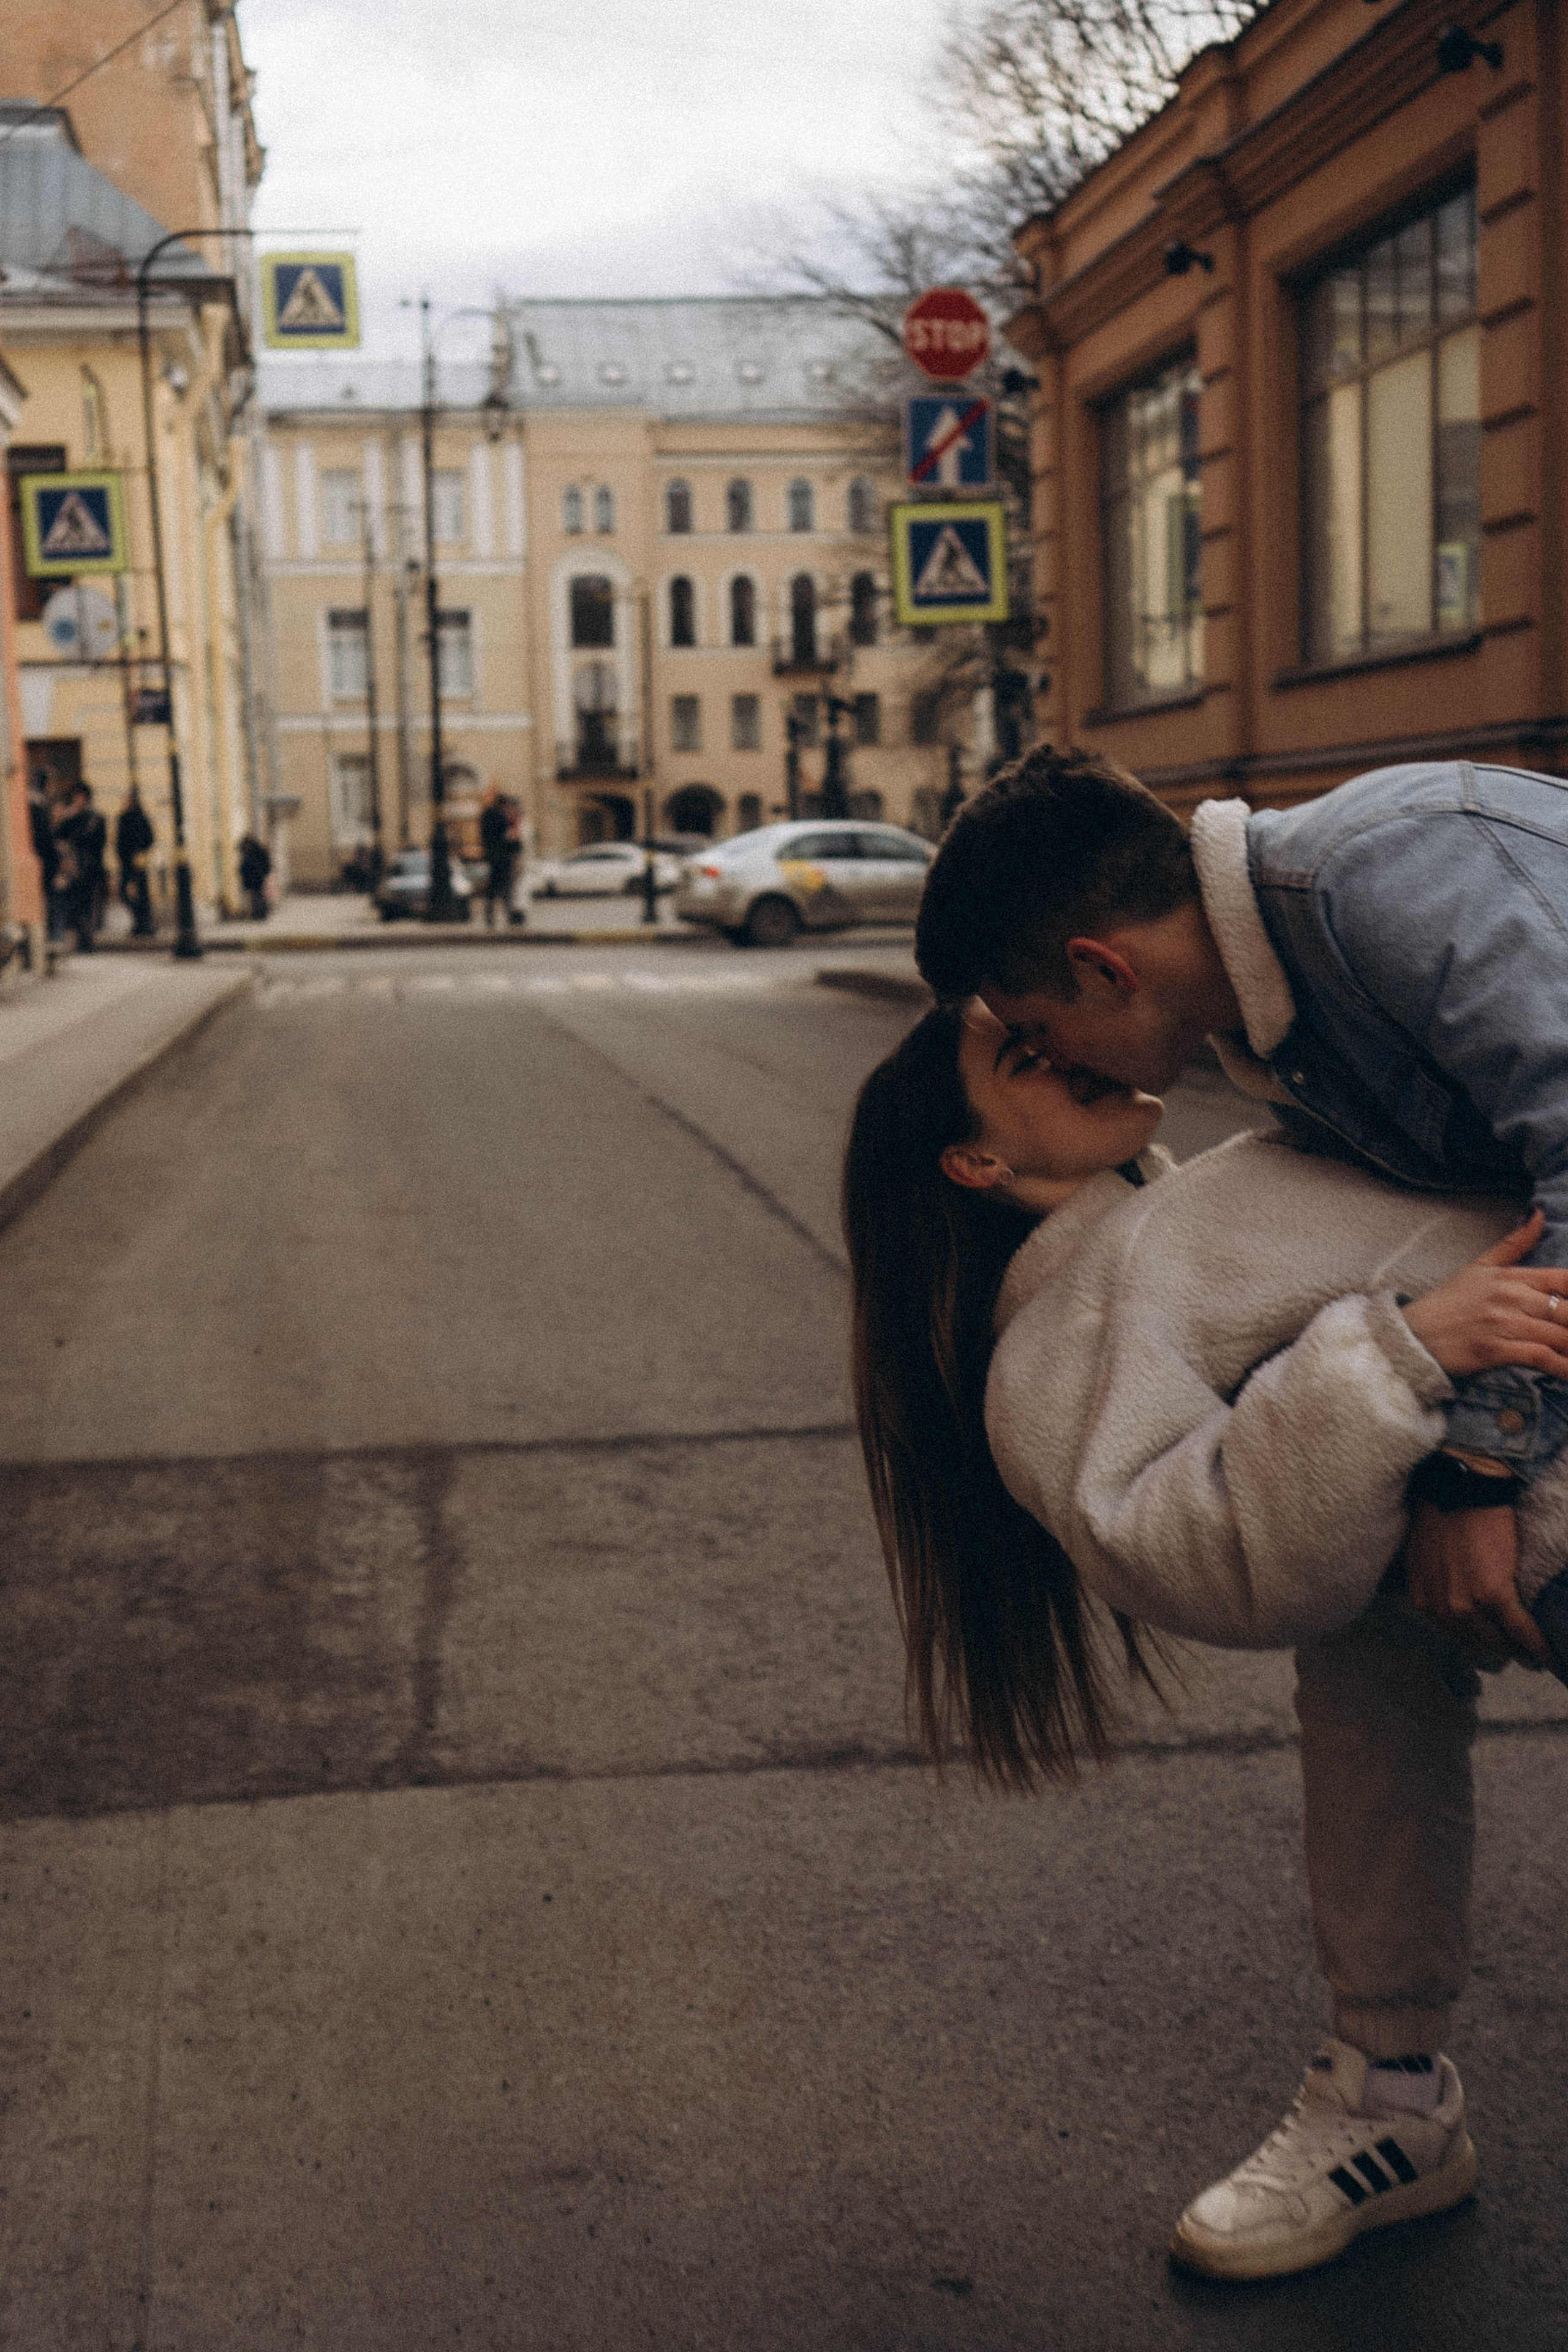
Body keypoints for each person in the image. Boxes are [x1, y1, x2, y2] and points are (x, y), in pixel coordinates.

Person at [843, 999, 1568, 2282]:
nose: (1071, 1042)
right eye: (1025, 1055)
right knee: (1357, 1665)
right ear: (976, 1165)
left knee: (1365, 1681)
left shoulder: (1207, 1181)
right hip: (1543, 1499)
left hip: (1509, 1462)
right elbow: (1208, 1552)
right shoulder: (1047, 1344)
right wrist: (1399, 1355)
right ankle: (1388, 2101)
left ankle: (1387, 2094)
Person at [915, 747, 1568, 1675]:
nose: (1057, 1060)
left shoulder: (1383, 880)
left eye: (1035, 1034)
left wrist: (1479, 1471)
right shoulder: (1289, 1033)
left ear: (1102, 969)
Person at [55, 783, 107, 953]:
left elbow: (95, 841)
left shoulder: (95, 818)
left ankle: (88, 941)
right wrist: (66, 817)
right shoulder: (71, 817)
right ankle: (83, 940)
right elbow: (59, 836)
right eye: (75, 796)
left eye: (80, 796)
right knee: (77, 906)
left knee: (89, 905)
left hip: (91, 869)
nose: (77, 799)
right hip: (75, 869)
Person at [116, 786, 156, 936]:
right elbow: (119, 842)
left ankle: (143, 923)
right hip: (127, 862)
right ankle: (140, 920)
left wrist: (141, 851)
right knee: (124, 892)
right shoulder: (123, 818)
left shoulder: (141, 817)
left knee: (142, 893)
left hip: (139, 862)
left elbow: (150, 838)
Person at [27, 772, 62, 941]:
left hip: (40, 858)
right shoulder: (39, 805)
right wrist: (56, 860)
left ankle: (54, 934)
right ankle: (55, 935)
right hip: (45, 860)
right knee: (52, 899)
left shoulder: (34, 803)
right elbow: (45, 836)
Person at [478, 785, 518, 929]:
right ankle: (509, 917)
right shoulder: (502, 817)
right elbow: (508, 837)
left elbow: (484, 837)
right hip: (503, 858)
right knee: (506, 889)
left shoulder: (485, 816)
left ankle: (489, 919)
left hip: (491, 857)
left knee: (492, 890)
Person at [237, 831, 272, 921]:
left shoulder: (256, 852)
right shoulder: (252, 852)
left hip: (257, 878)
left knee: (259, 896)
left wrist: (264, 873)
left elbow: (265, 864)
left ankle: (261, 914)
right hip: (252, 879)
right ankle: (257, 914)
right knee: (256, 897)